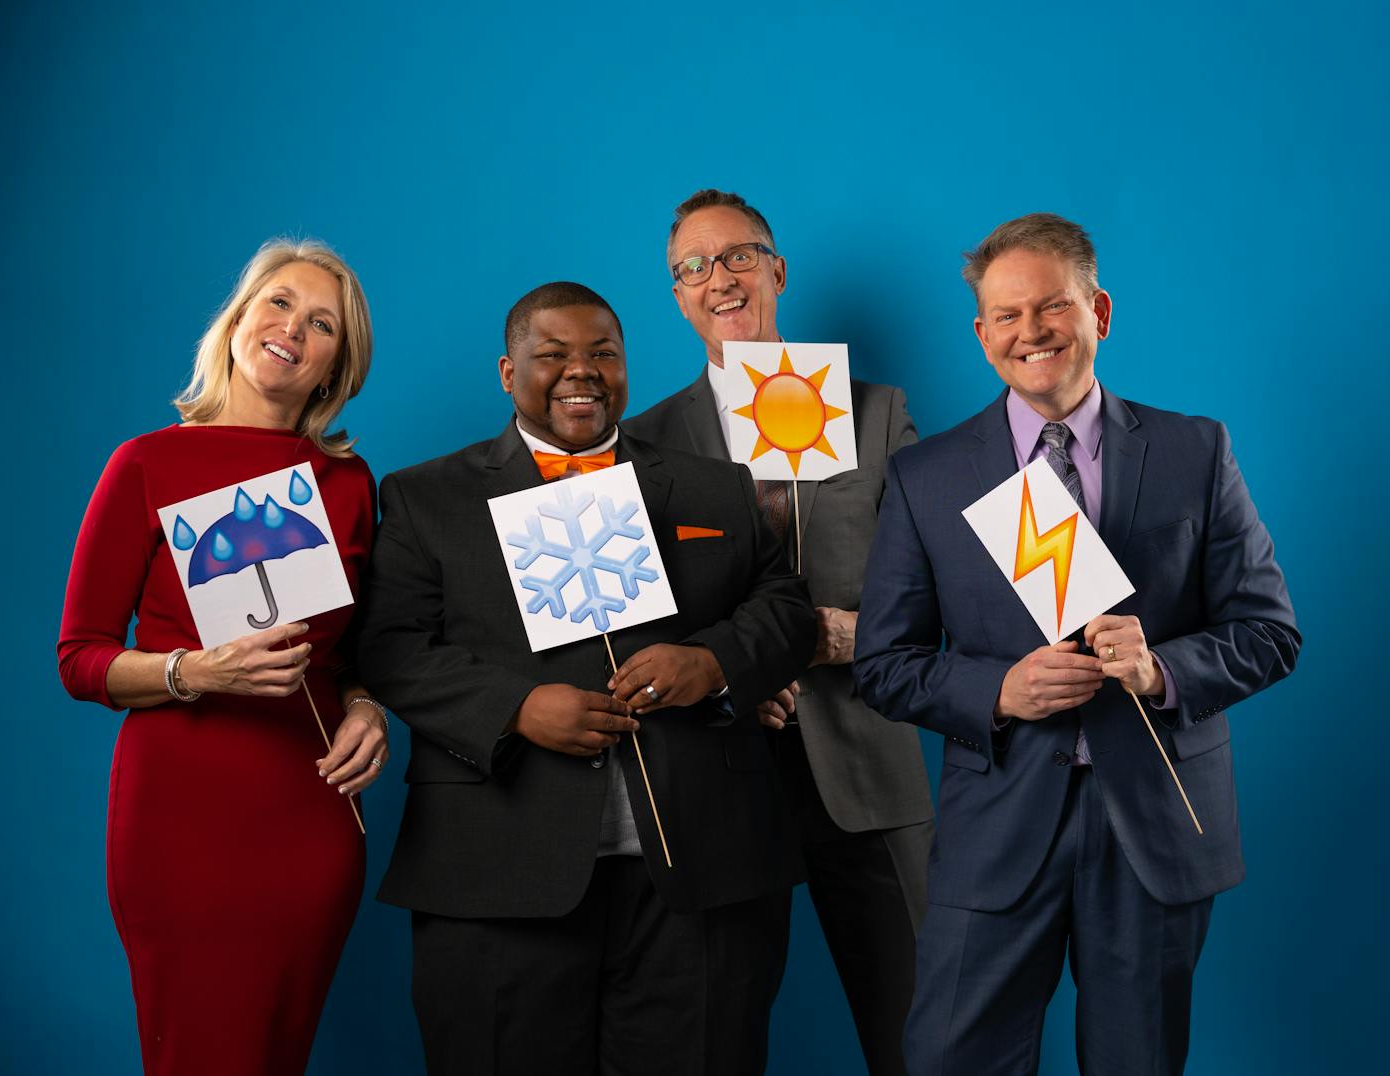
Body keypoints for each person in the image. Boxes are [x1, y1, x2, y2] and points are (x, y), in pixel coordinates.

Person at [853, 213, 1300, 1075]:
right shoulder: (928, 475)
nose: (1033, 333)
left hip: (1156, 820)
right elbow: (884, 666)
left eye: (1052, 307)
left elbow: (1271, 633)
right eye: (1008, 317)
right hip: (998, 824)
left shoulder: (1195, 451)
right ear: (982, 335)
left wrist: (1163, 668)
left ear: (1098, 311)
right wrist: (997, 691)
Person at [355, 281, 815, 1076]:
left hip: (699, 869)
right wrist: (515, 707)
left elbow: (786, 609)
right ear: (508, 372)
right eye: (554, 355)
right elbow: (392, 647)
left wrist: (710, 663)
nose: (583, 372)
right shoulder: (427, 497)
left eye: (604, 353)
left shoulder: (714, 487)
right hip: (498, 875)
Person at [57, 239, 388, 1076]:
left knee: (277, 1052)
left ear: (334, 369)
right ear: (237, 320)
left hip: (307, 813)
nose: (292, 329)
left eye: (322, 325)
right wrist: (193, 671)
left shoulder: (347, 482)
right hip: (180, 812)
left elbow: (352, 656)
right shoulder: (145, 463)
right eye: (277, 302)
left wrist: (365, 709)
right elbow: (80, 658)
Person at [625, 189, 932, 1075]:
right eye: (693, 268)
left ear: (776, 271)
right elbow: (640, 615)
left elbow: (939, 589)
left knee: (920, 1030)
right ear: (678, 297)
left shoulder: (876, 414)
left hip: (867, 762)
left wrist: (851, 637)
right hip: (720, 774)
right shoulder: (644, 444)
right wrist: (734, 670)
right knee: (712, 1041)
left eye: (738, 257)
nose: (718, 279)